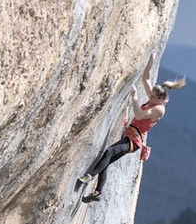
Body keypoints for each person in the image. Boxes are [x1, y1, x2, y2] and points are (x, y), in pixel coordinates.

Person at [78, 51, 186, 202]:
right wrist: (151, 60)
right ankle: (98, 192)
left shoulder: (159, 109)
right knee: (107, 160)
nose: (150, 97)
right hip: (130, 135)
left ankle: (89, 176)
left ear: (160, 98)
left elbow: (140, 115)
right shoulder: (155, 100)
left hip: (134, 141)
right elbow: (146, 78)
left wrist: (135, 98)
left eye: (153, 97)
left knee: (109, 152)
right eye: (151, 95)